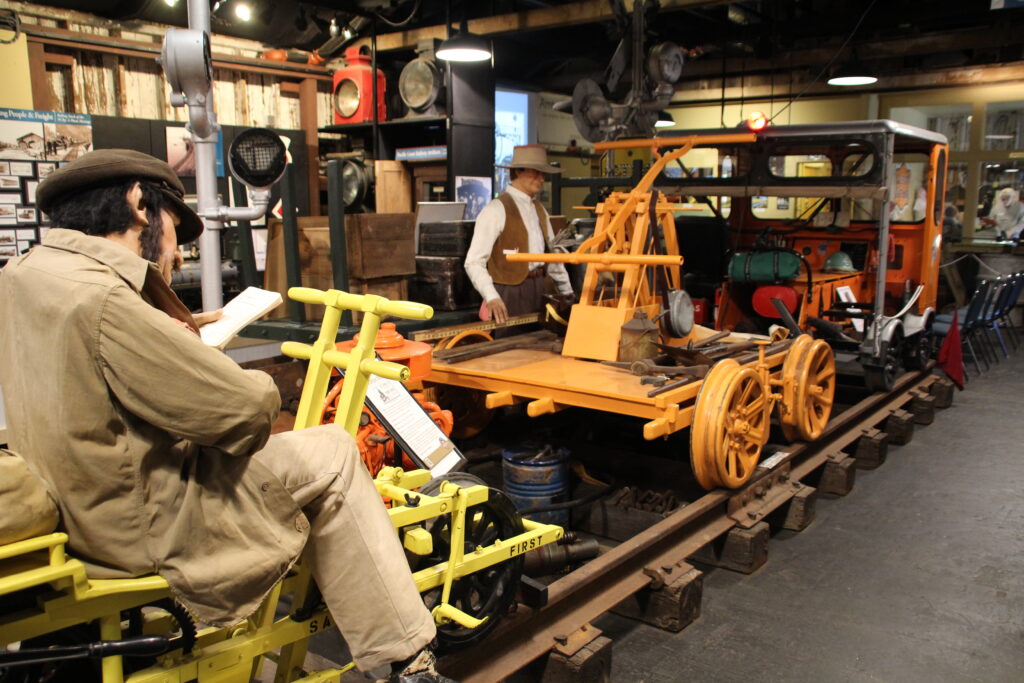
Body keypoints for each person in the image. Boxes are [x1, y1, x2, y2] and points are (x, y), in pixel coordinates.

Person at [0, 149, 452, 683]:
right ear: (140, 205)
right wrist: (216, 366)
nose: (172, 247)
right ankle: (407, 661)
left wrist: (173, 336)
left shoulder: (27, 272)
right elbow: (246, 414)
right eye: (173, 223)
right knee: (331, 450)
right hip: (137, 524)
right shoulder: (105, 299)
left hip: (76, 496)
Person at [464, 145, 574, 334]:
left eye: (543, 173)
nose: (541, 178)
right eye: (536, 173)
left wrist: (567, 293)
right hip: (508, 293)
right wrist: (492, 297)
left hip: (539, 289)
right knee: (507, 353)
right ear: (517, 172)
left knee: (537, 348)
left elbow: (554, 255)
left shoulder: (539, 209)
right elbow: (473, 262)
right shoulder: (495, 209)